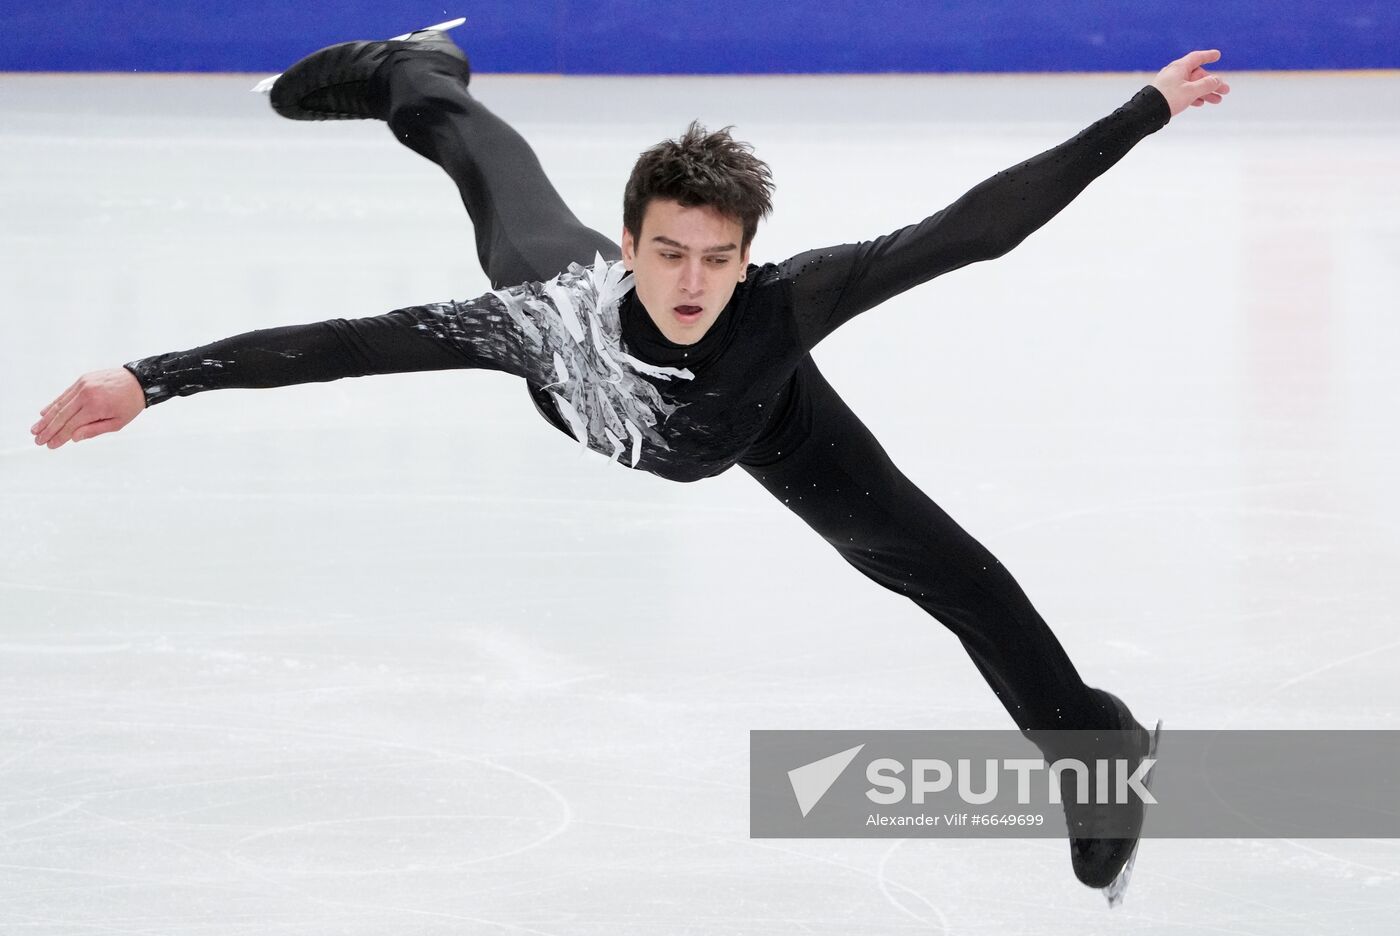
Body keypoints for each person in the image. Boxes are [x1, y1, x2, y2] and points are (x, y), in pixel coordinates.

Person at [28, 24, 1229, 899]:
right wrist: (150, 376)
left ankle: (1090, 744)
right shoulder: (543, 317)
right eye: (667, 254)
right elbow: (343, 344)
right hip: (591, 358)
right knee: (483, 163)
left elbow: (974, 231)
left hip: (765, 421)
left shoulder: (780, 305)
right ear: (631, 244)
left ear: (748, 254)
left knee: (939, 569)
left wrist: (1142, 109)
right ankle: (415, 69)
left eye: (715, 258)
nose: (691, 283)